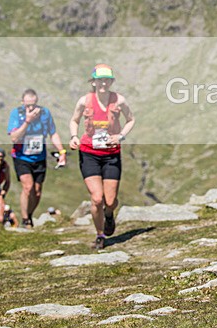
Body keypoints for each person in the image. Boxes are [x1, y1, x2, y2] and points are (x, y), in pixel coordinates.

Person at [69, 65, 135, 250]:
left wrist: (121, 136)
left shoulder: (119, 100)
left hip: (111, 154)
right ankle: (100, 235)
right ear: (94, 82)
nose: (103, 83)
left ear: (112, 81)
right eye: (100, 80)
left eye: (107, 80)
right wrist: (74, 137)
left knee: (110, 201)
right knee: (97, 198)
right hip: (89, 153)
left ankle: (109, 214)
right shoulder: (84, 101)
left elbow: (131, 119)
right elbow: (74, 120)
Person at [7, 89, 66, 228]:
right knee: (28, 187)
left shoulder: (45, 113)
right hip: (21, 156)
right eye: (27, 105)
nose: (31, 108)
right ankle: (25, 219)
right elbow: (14, 137)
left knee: (37, 191)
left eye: (33, 105)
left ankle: (30, 214)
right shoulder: (17, 114)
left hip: (39, 157)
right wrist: (27, 121)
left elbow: (53, 133)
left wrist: (61, 151)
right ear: (22, 103)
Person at [0, 148, 10, 229]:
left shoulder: (5, 166)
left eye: (1, 157)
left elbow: (7, 181)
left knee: (0, 216)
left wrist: (4, 191)